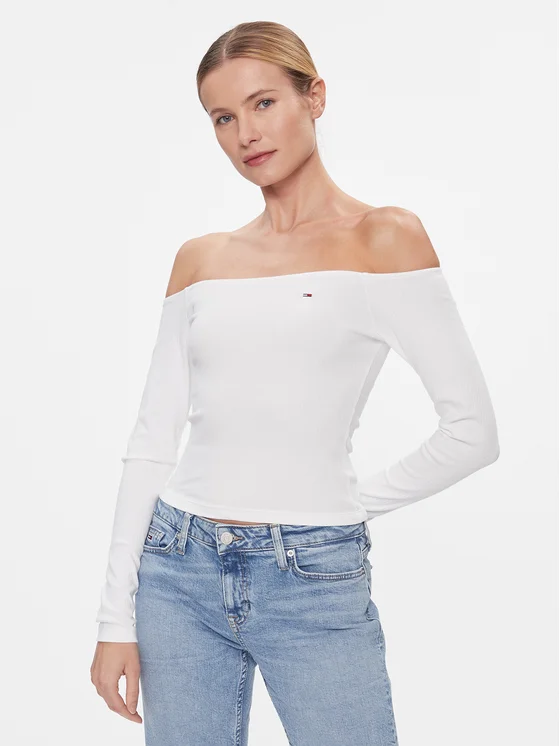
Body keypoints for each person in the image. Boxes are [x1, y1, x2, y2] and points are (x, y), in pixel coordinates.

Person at [90, 20, 500, 746]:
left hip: (313, 580)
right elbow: (152, 439)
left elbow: (472, 432)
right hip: (177, 572)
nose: (246, 133)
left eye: (263, 103)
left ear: (315, 97)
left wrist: (342, 509)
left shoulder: (382, 238)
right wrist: (114, 619)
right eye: (223, 117)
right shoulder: (201, 260)